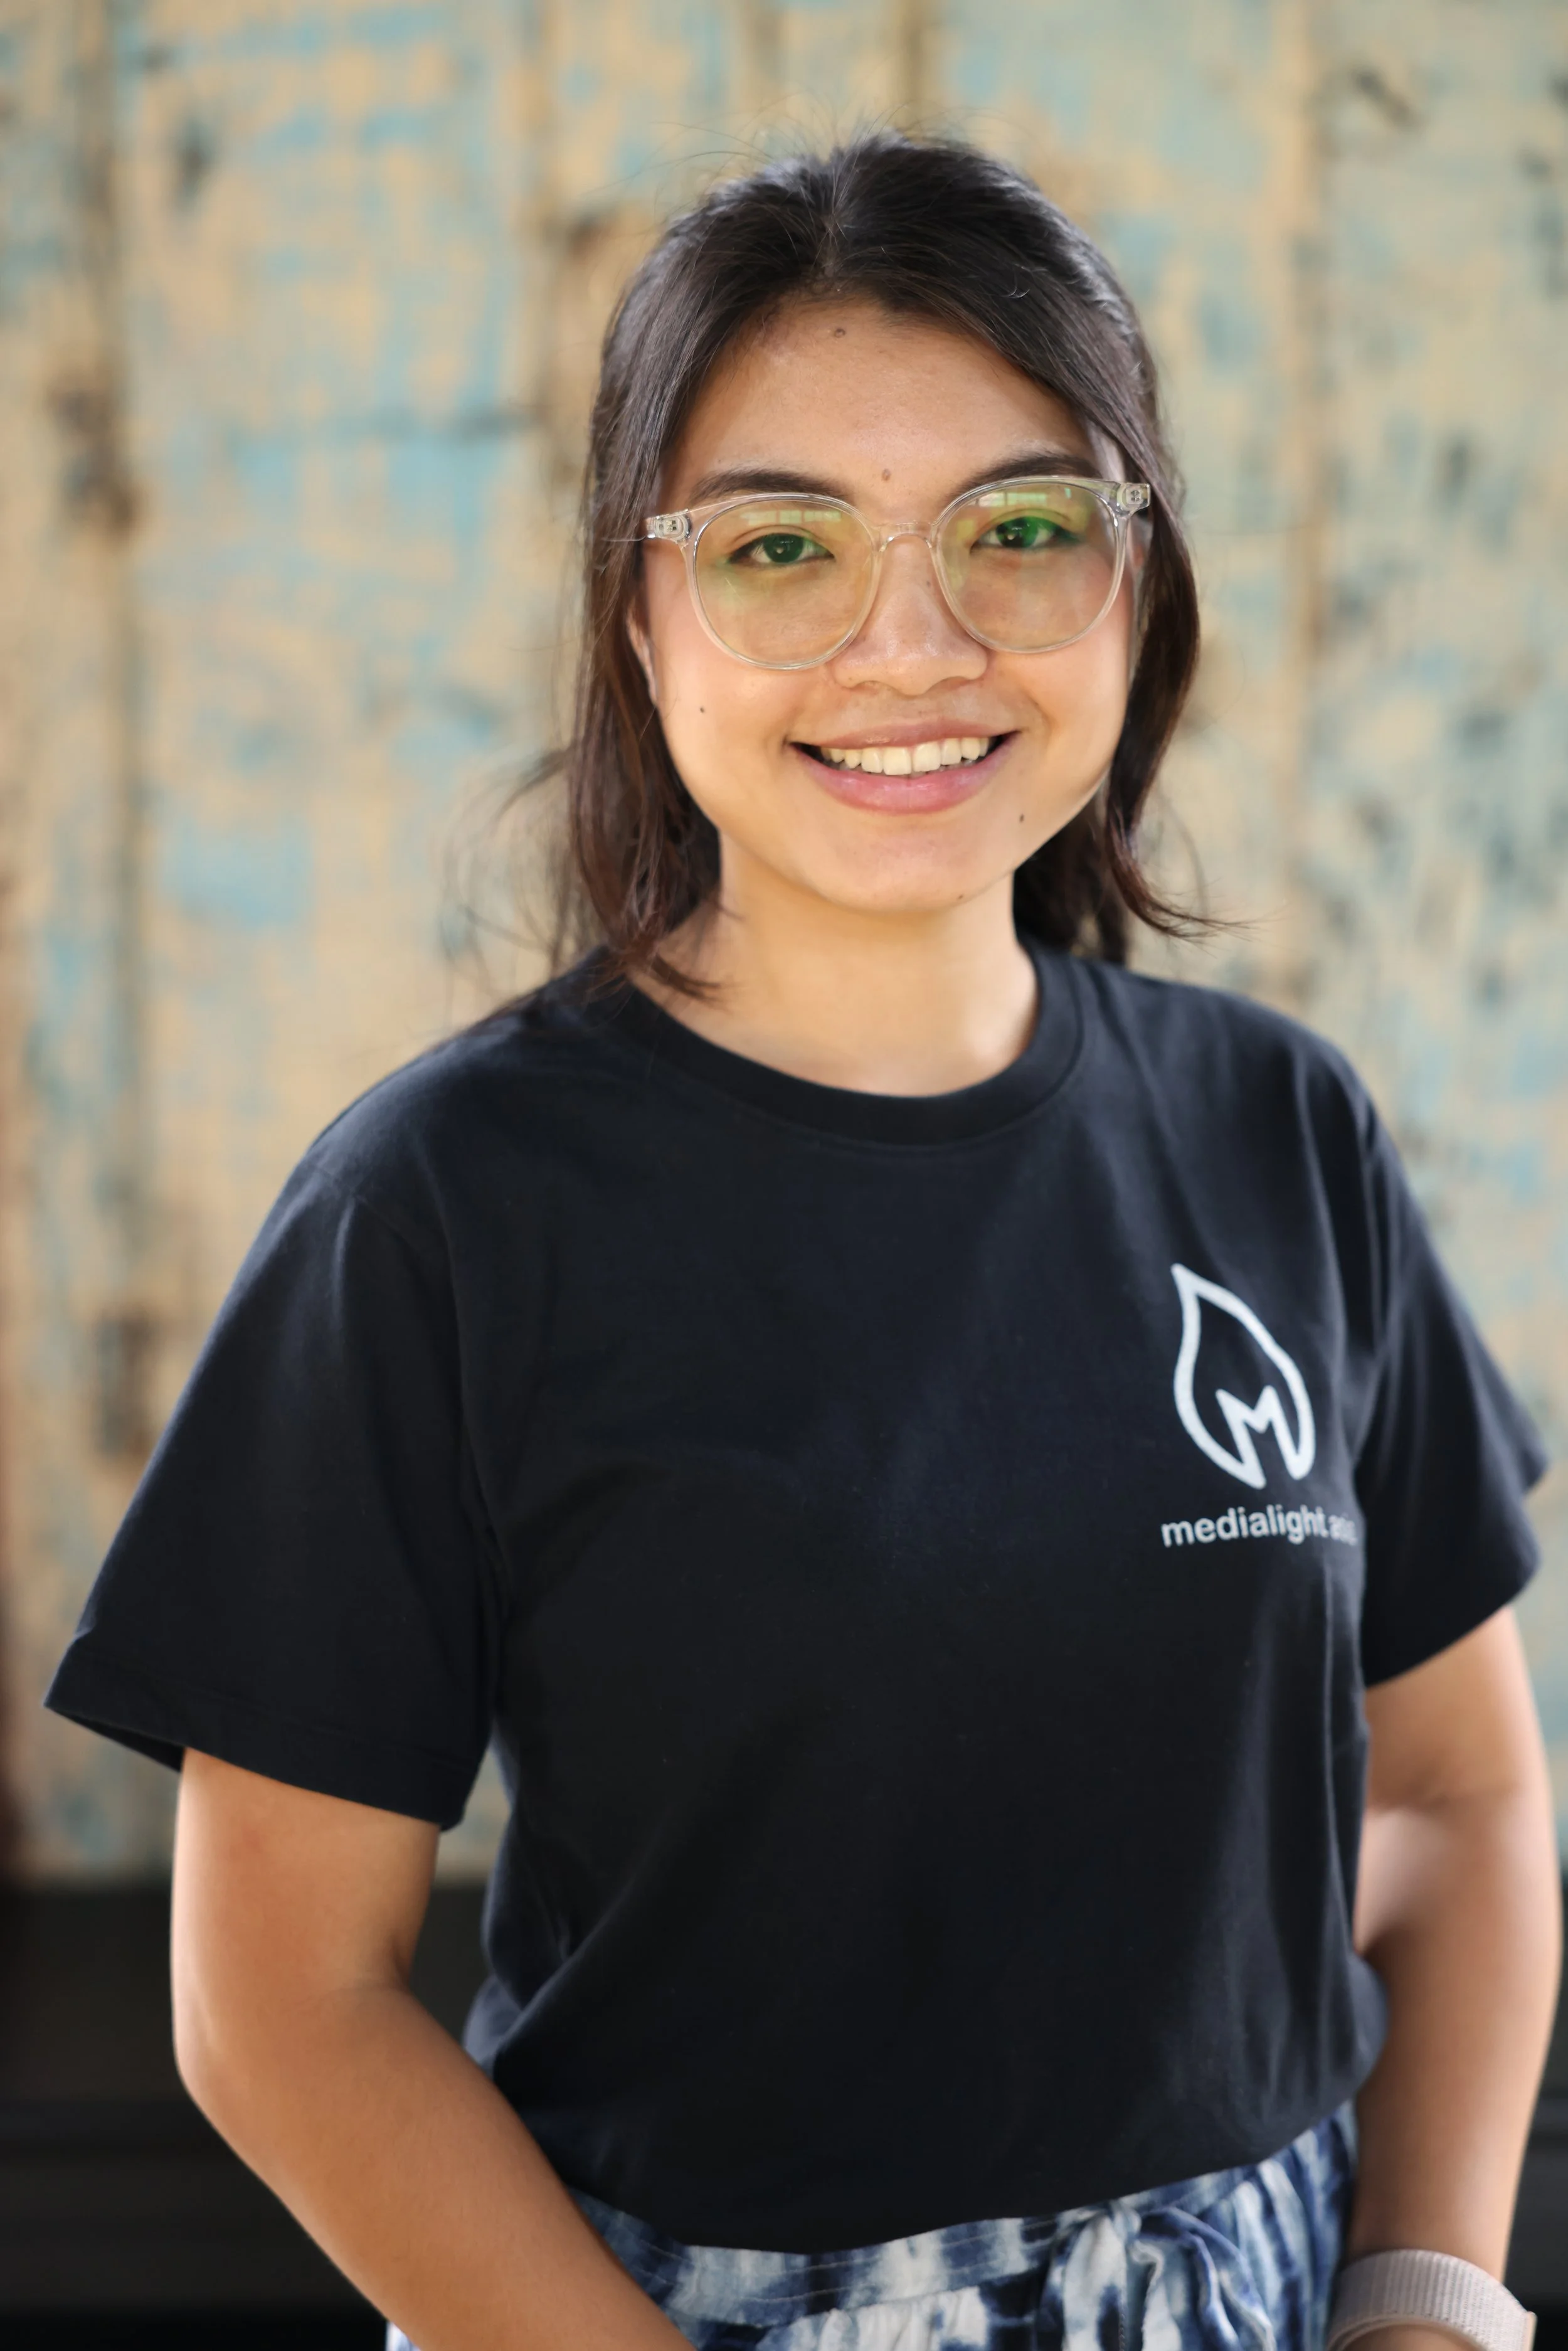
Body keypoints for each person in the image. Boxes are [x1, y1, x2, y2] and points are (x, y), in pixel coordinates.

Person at [46, 135, 1559, 2351]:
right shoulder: (440, 1211)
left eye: (1021, 529)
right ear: (638, 618)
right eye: (779, 548)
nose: (909, 645)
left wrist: (1420, 2295)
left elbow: (1448, 1790)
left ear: (1137, 580)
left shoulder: (1277, 1128)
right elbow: (280, 2005)